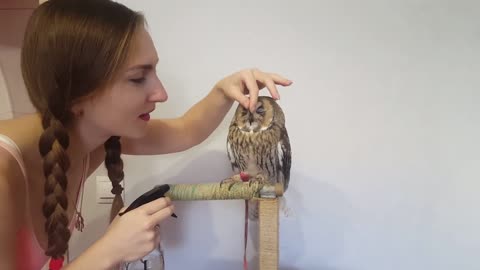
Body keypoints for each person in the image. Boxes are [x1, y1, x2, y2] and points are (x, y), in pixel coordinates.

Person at [0, 0, 292, 269]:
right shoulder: (4, 172)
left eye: (154, 71)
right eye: (138, 78)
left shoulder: (93, 137)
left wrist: (224, 90)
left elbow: (186, 130)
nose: (161, 94)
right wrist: (110, 250)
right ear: (76, 94)